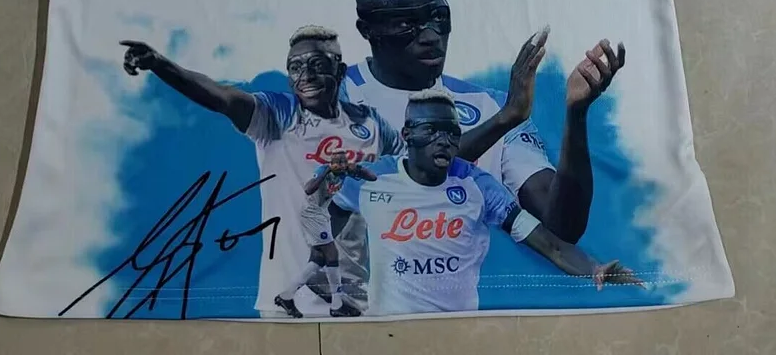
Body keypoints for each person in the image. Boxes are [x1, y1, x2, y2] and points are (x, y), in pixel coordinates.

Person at [343, 0, 626, 244]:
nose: (431, 36)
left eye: (438, 17)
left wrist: (576, 113)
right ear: (367, 30)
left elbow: (561, 226)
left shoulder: (488, 105)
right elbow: (392, 193)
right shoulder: (332, 99)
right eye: (406, 24)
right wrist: (504, 119)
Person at [121, 24, 401, 317]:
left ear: (340, 70)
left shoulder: (369, 123)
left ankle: (311, 297)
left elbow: (407, 168)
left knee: (324, 257)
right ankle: (292, 295)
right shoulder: (278, 114)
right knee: (323, 255)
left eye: (317, 65)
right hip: (288, 312)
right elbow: (223, 97)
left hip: (358, 302)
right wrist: (160, 64)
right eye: (296, 68)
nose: (306, 76)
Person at [328, 91, 641, 316]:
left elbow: (550, 245)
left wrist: (594, 269)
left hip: (461, 331)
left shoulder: (478, 184)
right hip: (390, 332)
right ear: (407, 134)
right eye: (432, 130)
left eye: (452, 133)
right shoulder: (371, 178)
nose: (444, 141)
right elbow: (327, 214)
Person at [273, 151, 378, 319]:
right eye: (336, 162)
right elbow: (308, 189)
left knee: (318, 258)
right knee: (332, 253)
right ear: (330, 163)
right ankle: (337, 304)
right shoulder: (323, 170)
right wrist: (326, 172)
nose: (340, 165)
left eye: (342, 162)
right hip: (311, 214)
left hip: (322, 214)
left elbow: (373, 178)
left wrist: (358, 169)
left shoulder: (345, 172)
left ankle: (286, 296)